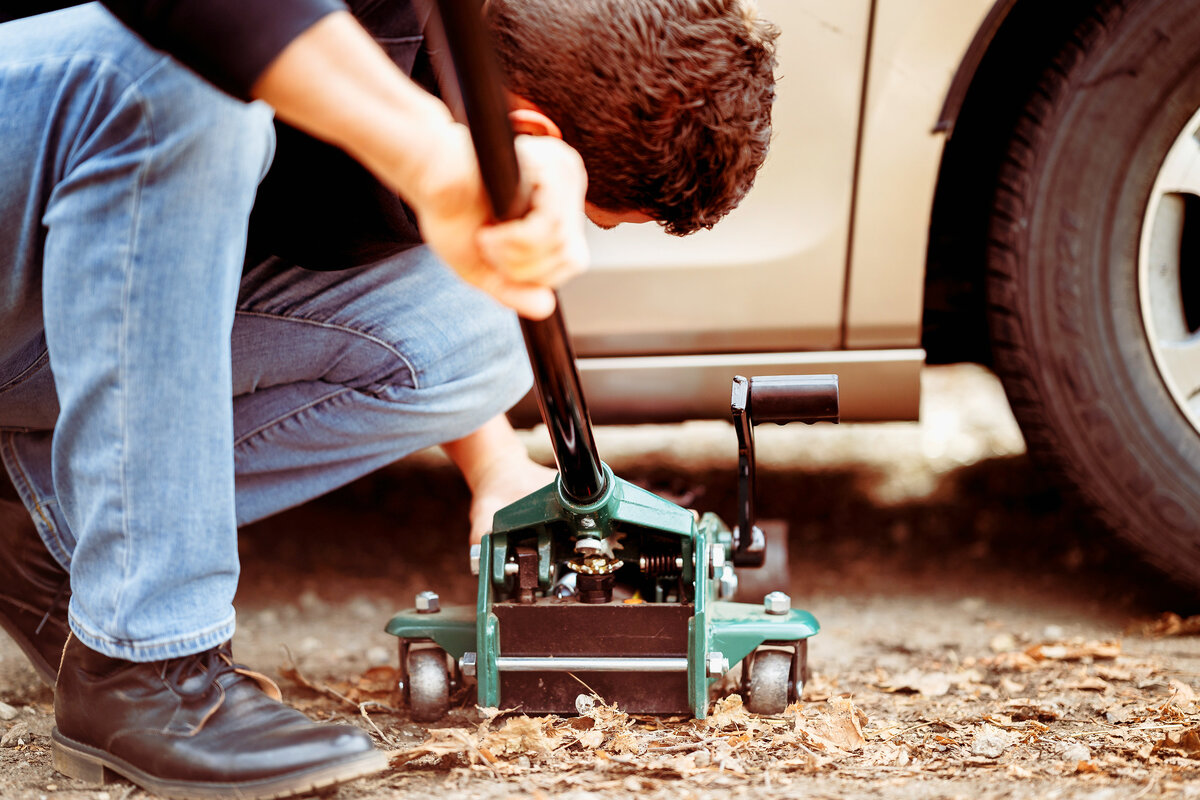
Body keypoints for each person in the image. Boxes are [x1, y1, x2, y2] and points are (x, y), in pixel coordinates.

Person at [0, 0, 779, 797]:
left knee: (479, 331)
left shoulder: (448, 65)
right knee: (173, 82)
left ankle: (49, 520)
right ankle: (146, 668)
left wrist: (497, 471)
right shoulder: (413, 96)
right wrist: (431, 152)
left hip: (31, 321)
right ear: (529, 135)